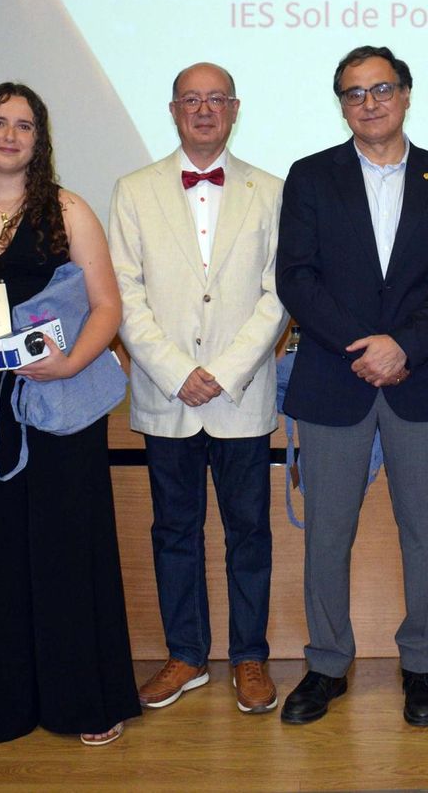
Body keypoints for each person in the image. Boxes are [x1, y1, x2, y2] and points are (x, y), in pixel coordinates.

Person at [0, 82, 140, 744]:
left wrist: (70, 364)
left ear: (40, 140)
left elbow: (106, 307)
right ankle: (8, 703)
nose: (9, 135)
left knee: (67, 549)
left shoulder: (68, 209)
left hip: (58, 403)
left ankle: (82, 702)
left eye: (23, 125)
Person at [275, 45, 428, 726]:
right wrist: (362, 347)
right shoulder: (310, 177)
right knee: (327, 532)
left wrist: (405, 348)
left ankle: (422, 662)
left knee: (425, 529)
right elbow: (295, 276)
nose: (369, 102)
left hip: (418, 381)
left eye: (381, 88)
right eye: (354, 93)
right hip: (336, 377)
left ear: (406, 94)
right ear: (342, 104)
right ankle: (327, 663)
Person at [109, 63, 288, 714]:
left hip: (242, 395)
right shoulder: (133, 190)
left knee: (250, 535)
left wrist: (228, 368)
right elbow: (123, 293)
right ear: (173, 109)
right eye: (192, 100)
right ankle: (186, 655)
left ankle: (250, 658)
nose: (205, 110)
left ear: (235, 109)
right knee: (174, 532)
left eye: (216, 100)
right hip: (168, 395)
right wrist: (177, 371)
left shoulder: (271, 190)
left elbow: (280, 292)